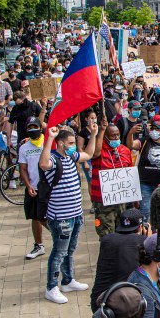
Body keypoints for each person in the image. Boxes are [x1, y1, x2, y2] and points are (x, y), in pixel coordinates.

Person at [39, 124, 96, 304]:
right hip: (61, 216)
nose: (73, 145)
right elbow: (43, 163)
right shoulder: (54, 159)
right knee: (59, 251)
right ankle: (51, 287)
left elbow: (89, 154)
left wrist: (93, 134)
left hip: (76, 213)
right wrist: (49, 138)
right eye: (70, 142)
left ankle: (68, 280)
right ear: (61, 143)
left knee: (70, 250)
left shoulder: (71, 156)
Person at [91, 209, 147, 314]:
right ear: (140, 227)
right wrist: (147, 239)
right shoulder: (142, 241)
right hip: (123, 307)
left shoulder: (106, 240)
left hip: (98, 305)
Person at [90, 120, 134, 238]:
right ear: (105, 137)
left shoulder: (125, 150)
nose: (116, 137)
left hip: (122, 201)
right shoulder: (99, 151)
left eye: (117, 135)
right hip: (103, 203)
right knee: (107, 236)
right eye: (112, 135)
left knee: (122, 234)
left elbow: (130, 174)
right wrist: (102, 130)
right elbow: (95, 153)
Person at [18, 118, 48, 260]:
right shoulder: (24, 148)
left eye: (35, 126)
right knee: (35, 217)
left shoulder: (48, 143)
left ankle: (61, 238)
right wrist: (28, 185)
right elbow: (23, 169)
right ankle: (39, 245)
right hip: (34, 187)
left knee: (44, 217)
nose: (32, 129)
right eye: (29, 127)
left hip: (48, 187)